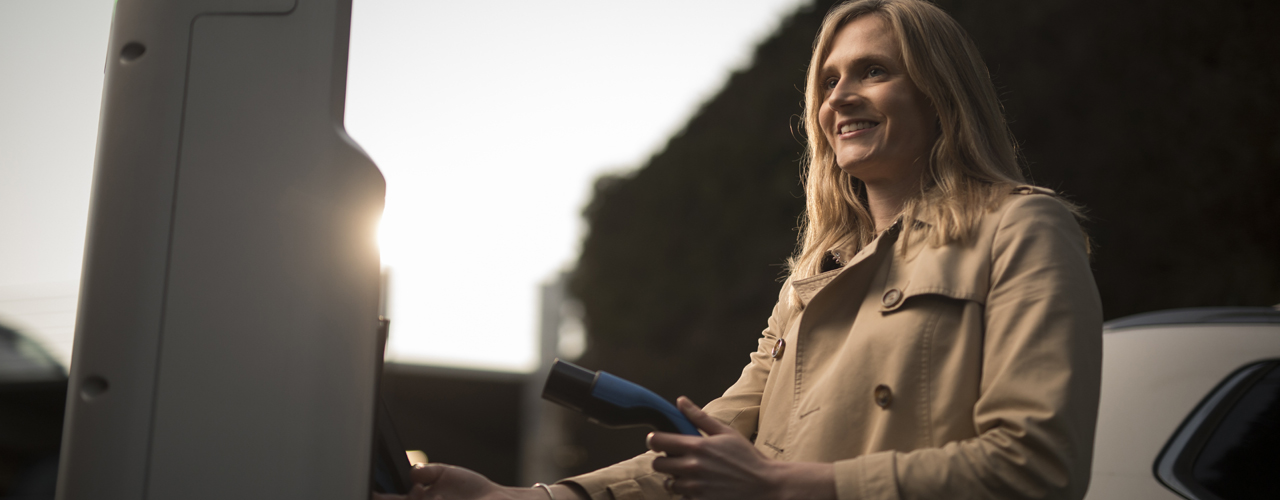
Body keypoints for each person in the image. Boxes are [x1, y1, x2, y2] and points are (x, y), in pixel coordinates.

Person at [390, 0, 1102, 498]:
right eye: (828, 81)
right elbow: (707, 442)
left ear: (941, 92)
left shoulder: (1023, 230)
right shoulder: (810, 280)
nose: (840, 98)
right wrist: (532, 498)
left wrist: (786, 486)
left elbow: (1035, 468)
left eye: (873, 71)